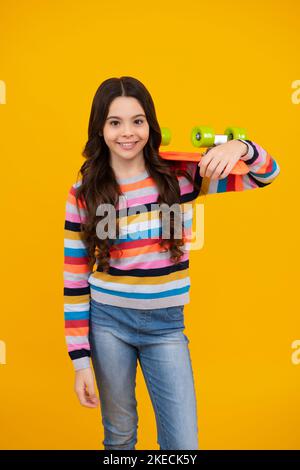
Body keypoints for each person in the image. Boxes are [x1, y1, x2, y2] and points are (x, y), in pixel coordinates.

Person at [63, 76, 280, 450]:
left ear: (151, 124)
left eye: (138, 120)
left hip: (166, 326)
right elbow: (74, 278)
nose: (127, 132)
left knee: (182, 445)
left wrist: (242, 148)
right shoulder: (84, 193)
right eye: (115, 122)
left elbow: (267, 174)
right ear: (100, 127)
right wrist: (80, 360)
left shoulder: (180, 177)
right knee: (119, 436)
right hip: (108, 324)